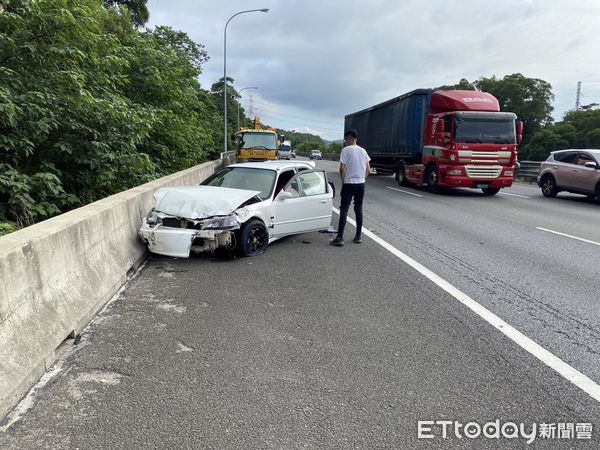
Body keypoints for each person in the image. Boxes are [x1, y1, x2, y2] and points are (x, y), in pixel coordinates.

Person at [330, 129, 371, 247]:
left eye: (346, 139)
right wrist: (362, 180)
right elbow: (368, 169)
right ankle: (358, 236)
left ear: (350, 138)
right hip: (360, 184)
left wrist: (344, 182)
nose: (345, 142)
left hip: (349, 184)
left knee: (344, 209)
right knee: (358, 208)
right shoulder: (363, 151)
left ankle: (340, 238)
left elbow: (342, 168)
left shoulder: (345, 150)